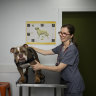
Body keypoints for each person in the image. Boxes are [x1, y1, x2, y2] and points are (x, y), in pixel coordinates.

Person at [31, 24, 85, 96]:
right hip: (66, 82)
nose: (61, 35)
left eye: (64, 33)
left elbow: (59, 68)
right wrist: (32, 48)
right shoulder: (62, 46)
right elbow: (46, 52)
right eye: (60, 32)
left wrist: (40, 66)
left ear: (71, 35)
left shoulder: (72, 50)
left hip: (74, 84)